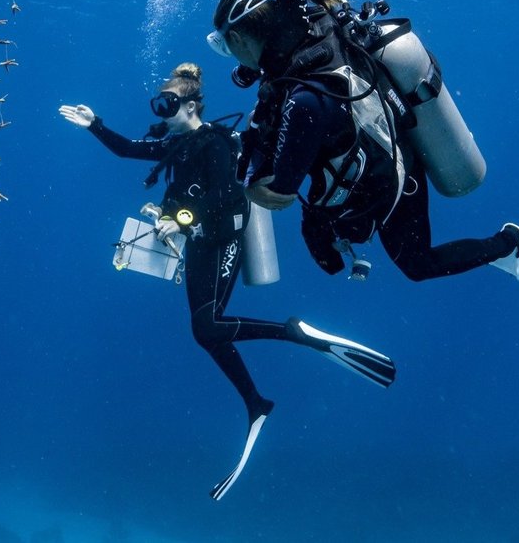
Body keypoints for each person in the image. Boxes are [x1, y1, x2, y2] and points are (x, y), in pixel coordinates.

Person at [59, 62, 395, 500]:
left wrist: (181, 220)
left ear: (192, 105)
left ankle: (293, 334)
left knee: (205, 327)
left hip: (223, 240)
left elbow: (226, 195)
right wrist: (95, 125)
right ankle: (255, 403)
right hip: (199, 242)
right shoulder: (177, 145)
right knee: (207, 331)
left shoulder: (216, 143)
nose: (162, 111)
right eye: (159, 104)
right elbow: (126, 149)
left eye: (169, 103)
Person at [207, 0, 519, 282]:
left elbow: (279, 195)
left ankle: (507, 244)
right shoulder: (313, 26)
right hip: (394, 145)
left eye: (226, 46)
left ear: (237, 36)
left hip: (387, 178)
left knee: (408, 265)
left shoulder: (304, 98)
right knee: (404, 259)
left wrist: (250, 172)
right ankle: (506, 245)